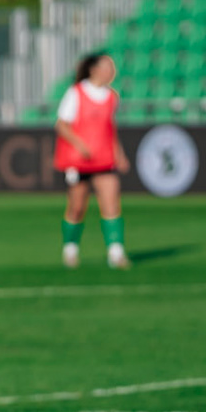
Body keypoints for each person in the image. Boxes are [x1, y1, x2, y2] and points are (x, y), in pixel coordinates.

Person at [54, 51, 132, 270]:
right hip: (79, 161)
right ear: (94, 69)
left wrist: (119, 154)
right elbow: (61, 125)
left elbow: (110, 128)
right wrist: (80, 145)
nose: (112, 71)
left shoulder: (112, 97)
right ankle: (70, 249)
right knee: (77, 207)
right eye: (107, 67)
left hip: (104, 160)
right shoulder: (76, 93)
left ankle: (116, 253)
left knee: (111, 203)